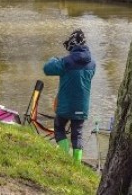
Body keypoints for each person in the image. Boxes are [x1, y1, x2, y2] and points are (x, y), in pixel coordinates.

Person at [43, 29, 96, 163]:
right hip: (82, 107)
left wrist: (54, 59)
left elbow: (47, 69)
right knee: (77, 134)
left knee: (59, 127)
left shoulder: (66, 62)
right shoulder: (92, 64)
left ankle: (64, 157)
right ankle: (76, 164)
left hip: (66, 106)